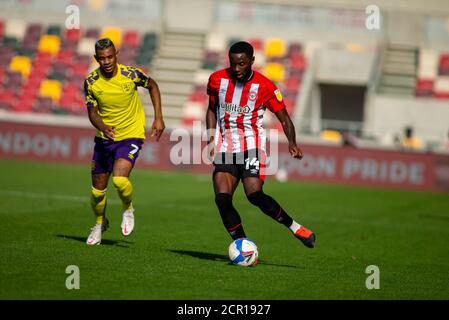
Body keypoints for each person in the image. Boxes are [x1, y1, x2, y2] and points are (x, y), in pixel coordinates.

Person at [205, 41, 316, 250]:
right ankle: (242, 245)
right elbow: (211, 109)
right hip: (226, 147)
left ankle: (295, 227)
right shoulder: (217, 80)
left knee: (254, 194)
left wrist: (292, 143)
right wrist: (211, 139)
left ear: (252, 61)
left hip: (252, 146)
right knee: (222, 199)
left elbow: (283, 117)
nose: (237, 69)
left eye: (242, 64)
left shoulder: (265, 86)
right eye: (233, 64)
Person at [83, 38, 165, 245]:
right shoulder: (91, 82)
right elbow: (92, 113)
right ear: (96, 59)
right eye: (102, 58)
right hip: (105, 138)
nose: (107, 62)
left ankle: (128, 209)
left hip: (130, 134)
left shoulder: (131, 74)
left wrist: (158, 117)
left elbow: (152, 86)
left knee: (119, 180)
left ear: (116, 54)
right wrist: (102, 127)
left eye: (110, 57)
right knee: (97, 193)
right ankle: (99, 224)